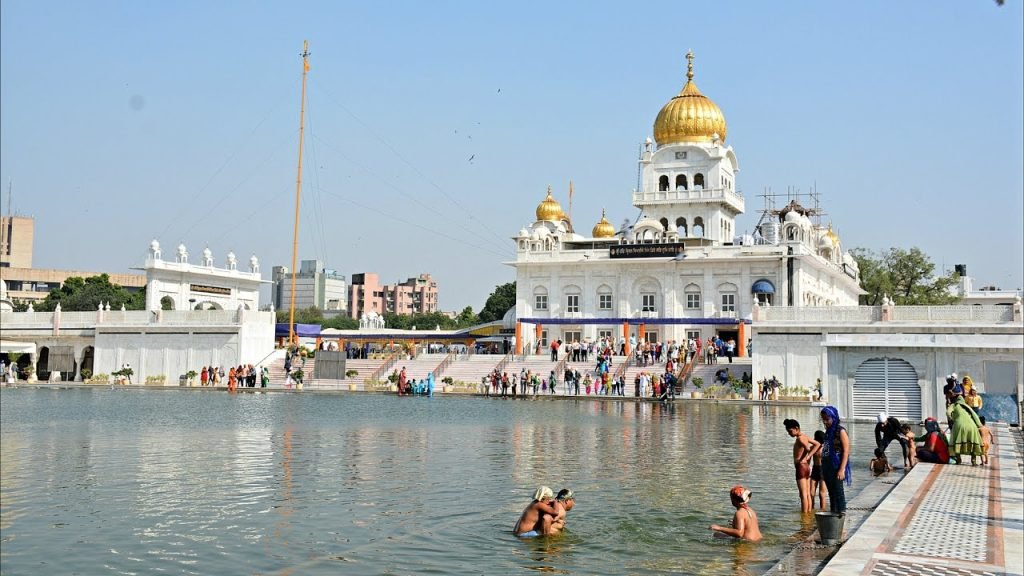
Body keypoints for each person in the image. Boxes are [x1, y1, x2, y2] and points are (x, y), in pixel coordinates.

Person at [784, 419, 821, 512]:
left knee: (803, 495)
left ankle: (804, 516)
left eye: (790, 431)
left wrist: (808, 456)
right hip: (806, 468)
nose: (789, 433)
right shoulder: (805, 436)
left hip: (801, 467)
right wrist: (808, 456)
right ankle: (808, 514)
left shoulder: (800, 438)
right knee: (807, 494)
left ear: (796, 428)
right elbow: (817, 444)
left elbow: (808, 448)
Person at [820, 406, 851, 514]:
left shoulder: (840, 431)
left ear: (833, 417)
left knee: (838, 492)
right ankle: (834, 516)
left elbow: (846, 451)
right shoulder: (828, 432)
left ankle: (841, 518)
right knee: (832, 493)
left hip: (837, 465)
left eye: (827, 419)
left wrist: (842, 469)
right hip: (827, 466)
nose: (825, 422)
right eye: (823, 419)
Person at [947, 393, 984, 465]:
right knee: (973, 441)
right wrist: (979, 425)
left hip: (959, 425)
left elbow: (948, 413)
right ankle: (973, 461)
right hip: (971, 425)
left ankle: (958, 460)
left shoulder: (953, 405)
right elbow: (975, 415)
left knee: (956, 441)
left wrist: (952, 419)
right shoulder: (967, 406)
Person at [811, 430, 826, 510]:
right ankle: (811, 509)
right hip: (815, 469)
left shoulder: (825, 448)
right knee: (811, 493)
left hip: (822, 469)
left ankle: (822, 510)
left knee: (822, 493)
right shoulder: (813, 447)